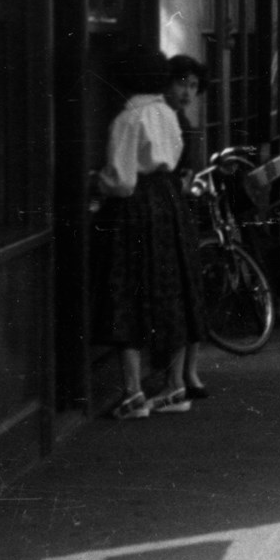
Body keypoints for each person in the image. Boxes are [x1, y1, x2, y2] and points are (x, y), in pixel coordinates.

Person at [93, 49, 204, 419]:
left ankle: (133, 392)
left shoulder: (128, 119)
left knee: (128, 291)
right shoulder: (167, 115)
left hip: (136, 208)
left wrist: (99, 184)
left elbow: (122, 179)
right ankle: (175, 386)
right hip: (169, 202)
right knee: (171, 290)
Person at [163, 53, 210, 399]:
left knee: (188, 292)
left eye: (193, 85)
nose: (187, 91)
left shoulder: (186, 125)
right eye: (181, 82)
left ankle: (187, 372)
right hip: (177, 214)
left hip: (182, 215)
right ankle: (182, 375)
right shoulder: (171, 122)